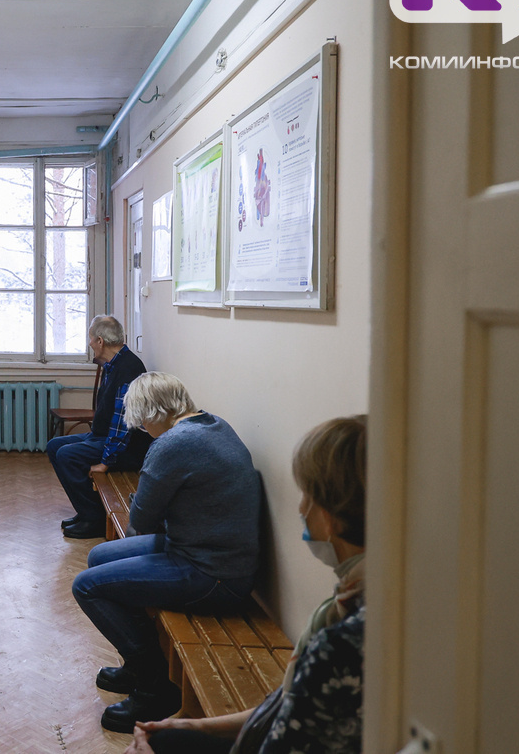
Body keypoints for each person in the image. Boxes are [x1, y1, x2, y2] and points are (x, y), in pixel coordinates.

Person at [124, 415, 368, 754]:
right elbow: (284, 706)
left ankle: (150, 688)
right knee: (165, 739)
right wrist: (190, 724)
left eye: (307, 494)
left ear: (330, 517)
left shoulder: (339, 644)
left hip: (213, 576)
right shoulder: (360, 595)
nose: (301, 507)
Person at [73, 372, 262, 732]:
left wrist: (148, 501)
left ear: (152, 412)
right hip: (209, 551)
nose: (143, 430)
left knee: (87, 586)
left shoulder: (172, 444)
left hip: (213, 574)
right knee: (99, 557)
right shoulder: (213, 425)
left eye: (142, 421)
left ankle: (154, 688)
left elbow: (140, 523)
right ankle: (136, 665)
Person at [47, 315, 154, 539]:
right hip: (102, 436)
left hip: (127, 448)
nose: (89, 344)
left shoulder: (128, 370)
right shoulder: (112, 364)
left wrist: (105, 462)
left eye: (91, 339)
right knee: (55, 446)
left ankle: (94, 519)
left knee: (67, 455)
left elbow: (122, 426)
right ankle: (87, 512)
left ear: (100, 341)